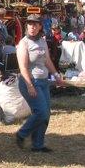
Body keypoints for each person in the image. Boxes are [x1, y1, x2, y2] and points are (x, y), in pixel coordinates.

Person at [15, 14, 62, 152]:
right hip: (30, 81)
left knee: (46, 114)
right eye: (30, 24)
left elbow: (47, 60)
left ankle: (38, 145)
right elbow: (23, 67)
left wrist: (56, 75)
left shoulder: (42, 41)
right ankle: (22, 134)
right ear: (27, 26)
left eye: (35, 24)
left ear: (40, 26)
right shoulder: (23, 43)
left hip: (43, 81)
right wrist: (30, 85)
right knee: (40, 112)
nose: (32, 27)